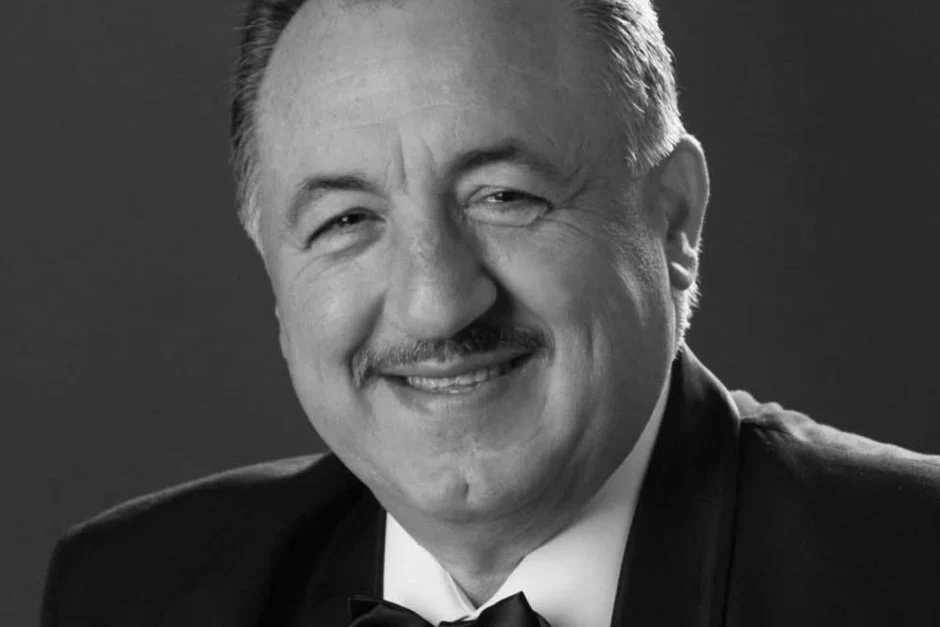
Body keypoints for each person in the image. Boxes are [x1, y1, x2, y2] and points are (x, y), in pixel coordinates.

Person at [40, 0, 940, 625]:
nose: (437, 303)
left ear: (674, 221)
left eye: (505, 196)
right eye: (347, 220)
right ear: (274, 271)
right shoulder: (130, 593)